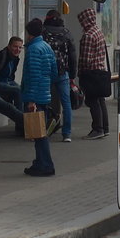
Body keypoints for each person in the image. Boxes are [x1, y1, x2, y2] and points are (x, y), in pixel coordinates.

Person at [21, 17, 57, 177]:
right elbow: (54, 72)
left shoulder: (33, 50)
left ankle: (45, 164)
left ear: (29, 34)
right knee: (39, 132)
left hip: (35, 97)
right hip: (45, 94)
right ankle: (40, 162)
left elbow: (33, 75)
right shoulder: (47, 47)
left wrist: (31, 100)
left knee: (39, 134)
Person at [42, 9, 77, 142]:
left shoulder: (43, 32)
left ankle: (43, 130)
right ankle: (66, 134)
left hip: (46, 72)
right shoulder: (66, 33)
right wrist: (73, 74)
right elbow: (72, 56)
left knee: (44, 101)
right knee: (66, 103)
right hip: (63, 72)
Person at [76, 7, 111, 139]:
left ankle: (97, 129)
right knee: (100, 100)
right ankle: (105, 127)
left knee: (92, 101)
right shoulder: (98, 32)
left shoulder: (88, 35)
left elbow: (86, 59)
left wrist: (80, 72)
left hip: (90, 73)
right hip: (100, 71)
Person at [0, 36, 25, 133]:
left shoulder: (16, 58)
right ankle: (22, 125)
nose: (18, 49)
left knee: (23, 90)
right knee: (18, 91)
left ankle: (21, 122)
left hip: (7, 81)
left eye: (20, 47)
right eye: (15, 46)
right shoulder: (0, 56)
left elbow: (11, 75)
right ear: (9, 46)